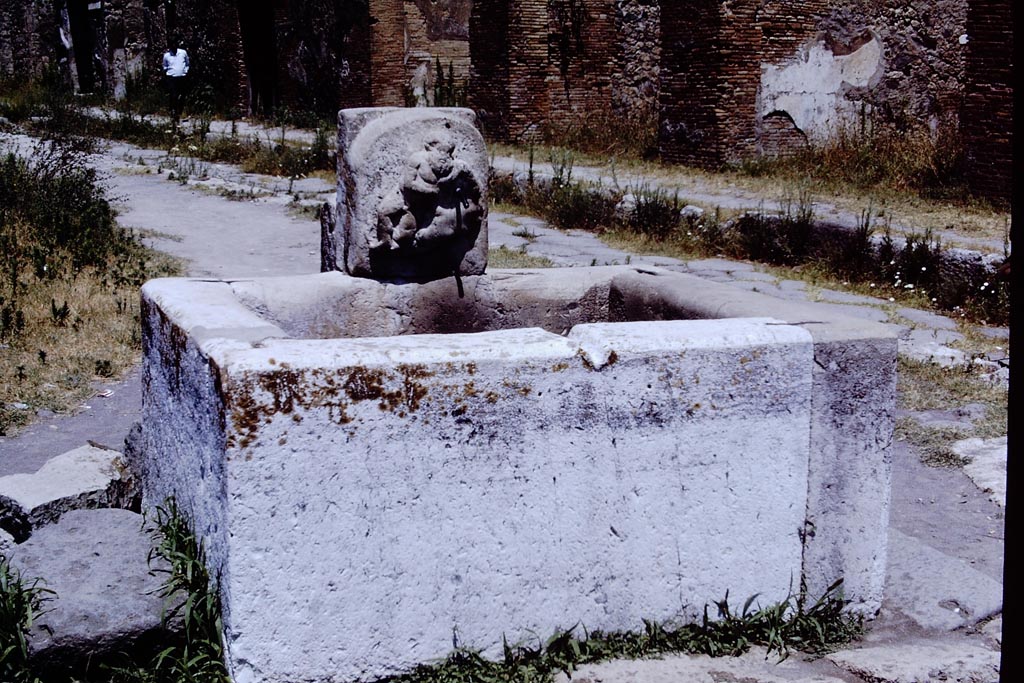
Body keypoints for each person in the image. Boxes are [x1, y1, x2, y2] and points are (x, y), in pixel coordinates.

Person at [162, 40, 190, 121]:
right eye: (171, 46)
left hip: (182, 77)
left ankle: (180, 111)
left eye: (175, 46)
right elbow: (165, 66)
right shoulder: (166, 55)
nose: (173, 48)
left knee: (182, 95)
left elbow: (187, 63)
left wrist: (186, 71)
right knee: (173, 95)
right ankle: (173, 112)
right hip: (171, 77)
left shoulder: (183, 53)